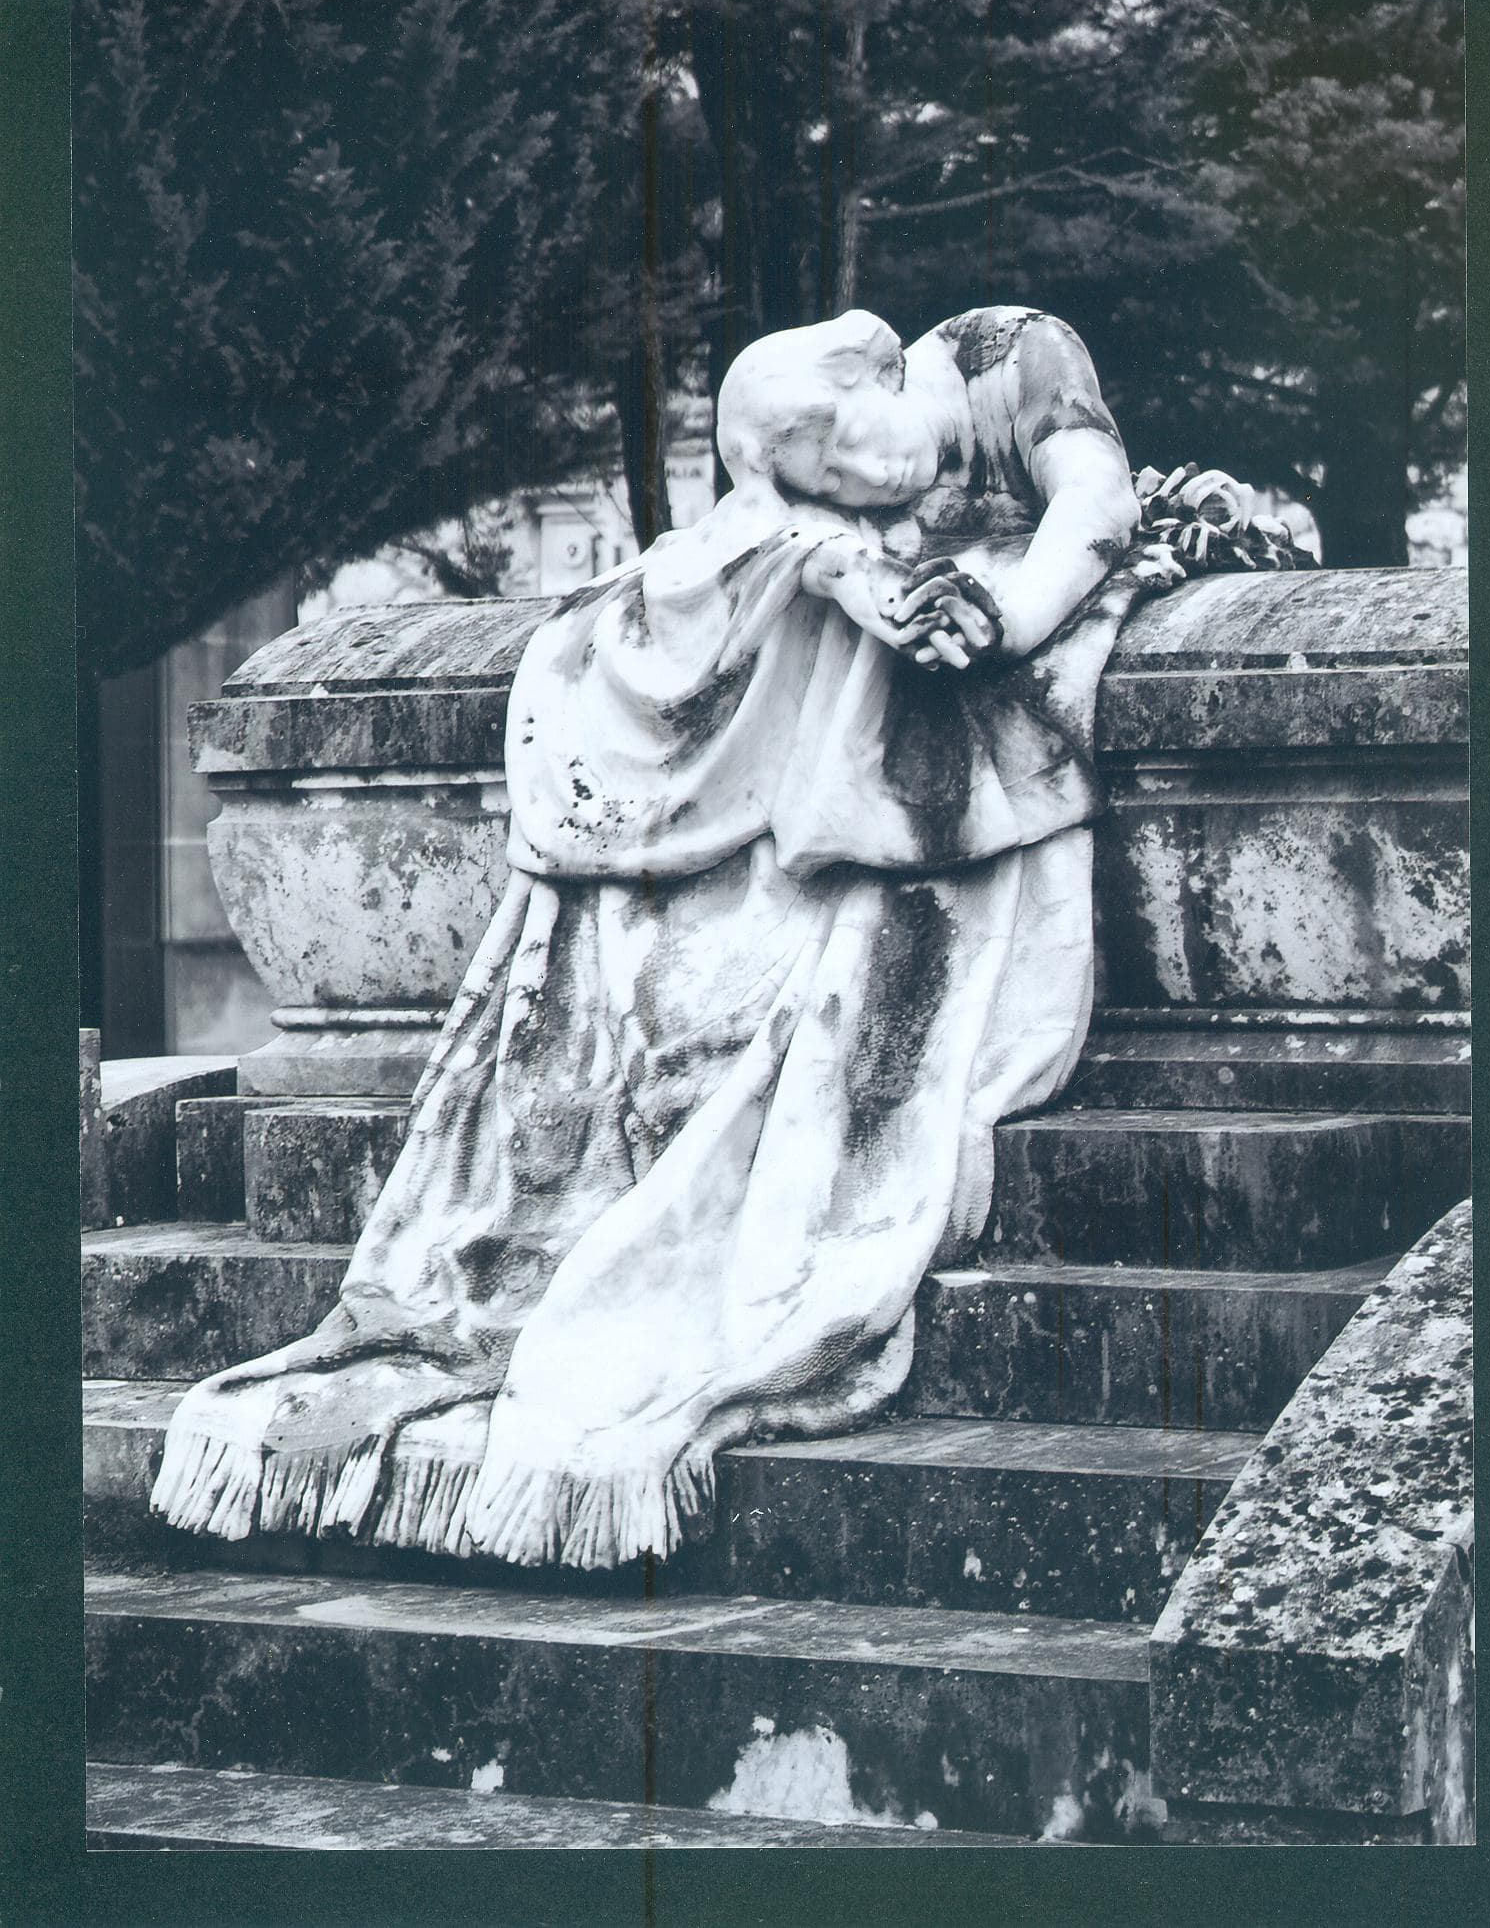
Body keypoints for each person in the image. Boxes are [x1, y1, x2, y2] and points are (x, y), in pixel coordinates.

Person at [149, 307, 1183, 1571]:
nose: (856, 482)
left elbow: (1095, 506)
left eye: (844, 445)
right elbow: (735, 561)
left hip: (1006, 614)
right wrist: (829, 566)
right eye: (819, 477)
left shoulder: (1008, 354)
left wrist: (1008, 614)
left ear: (878, 370)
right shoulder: (834, 520)